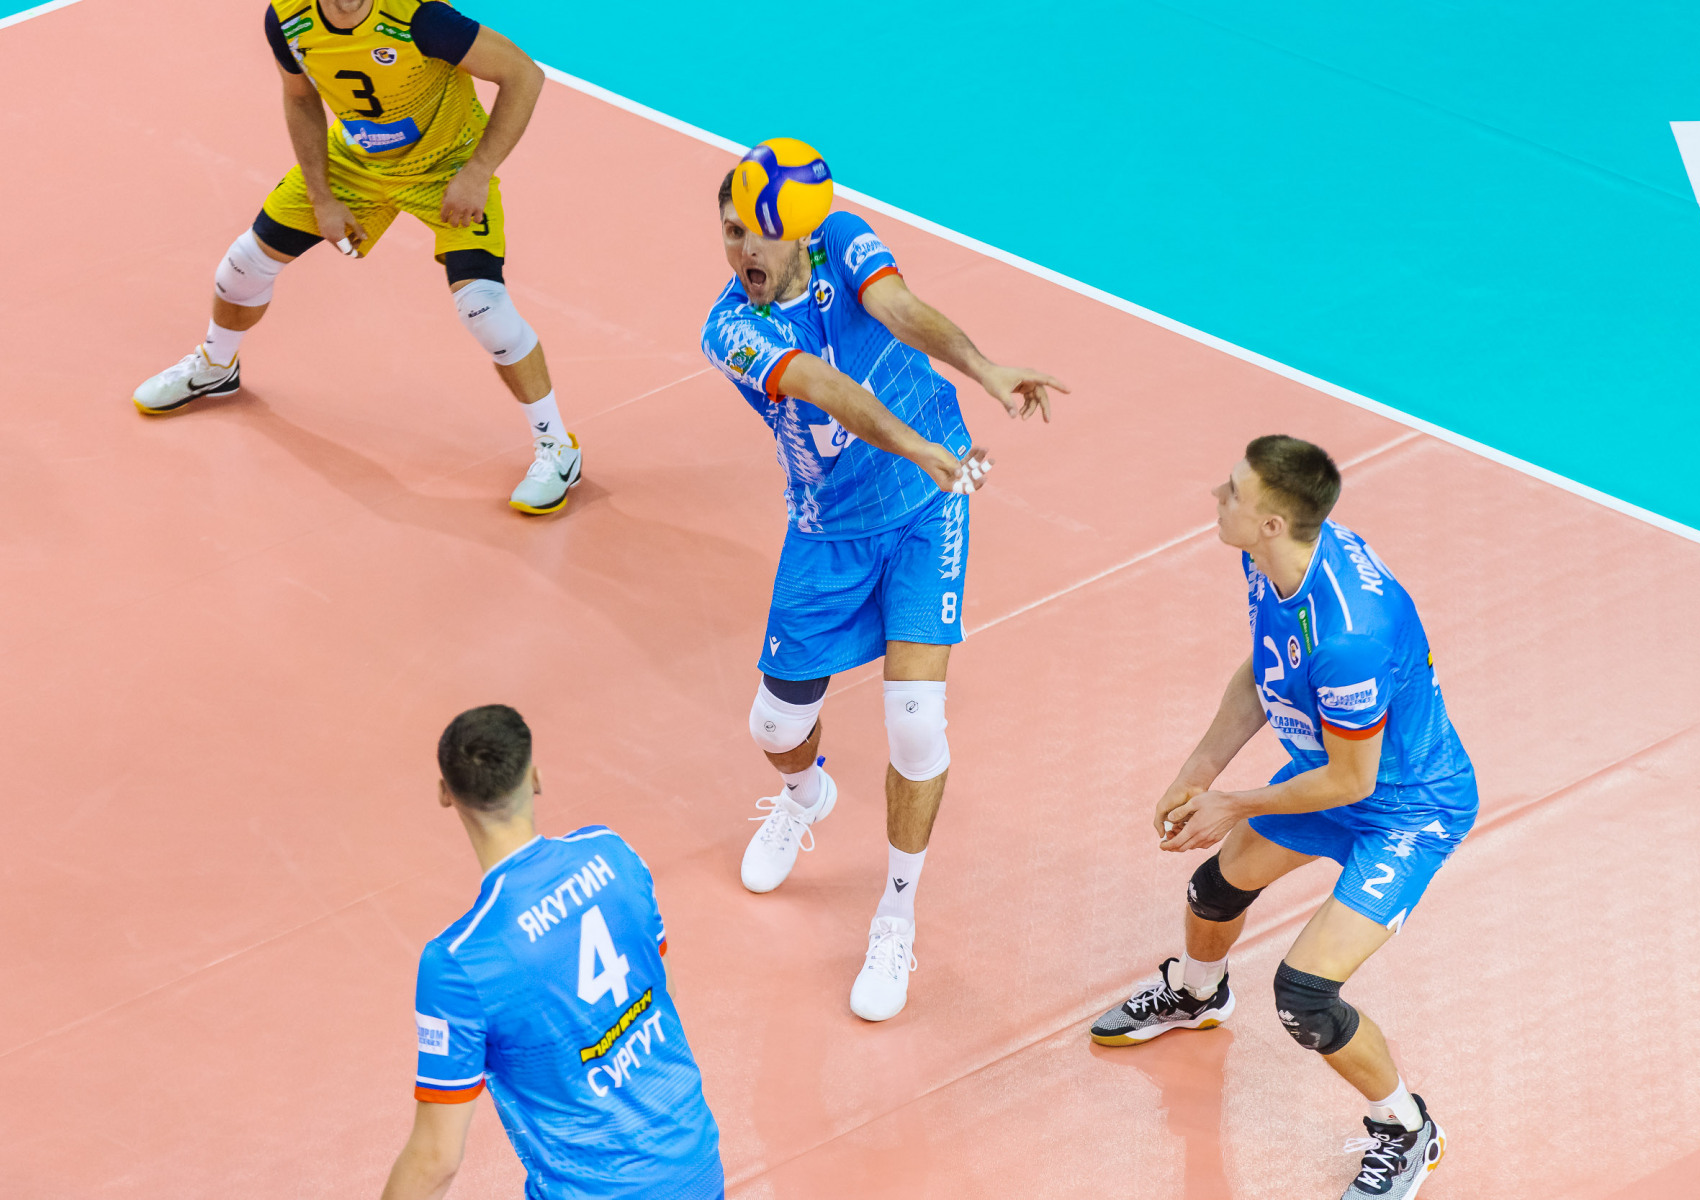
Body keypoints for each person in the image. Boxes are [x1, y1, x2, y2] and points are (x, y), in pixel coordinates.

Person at [699, 167, 1066, 1022]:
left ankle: (894, 918)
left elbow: (899, 309)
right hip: (829, 527)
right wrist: (916, 445)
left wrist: (983, 369)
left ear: (798, 228)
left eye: (756, 230)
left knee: (915, 723)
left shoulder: (841, 237)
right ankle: (806, 797)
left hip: (927, 507)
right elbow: (829, 391)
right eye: (729, 232)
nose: (742, 249)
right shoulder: (731, 328)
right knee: (774, 727)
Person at [1089, 436, 1471, 1199]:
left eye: (1232, 491)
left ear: (1272, 522)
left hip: (1403, 810)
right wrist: (1199, 771)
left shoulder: (1348, 637)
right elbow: (1264, 667)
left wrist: (1233, 803)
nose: (1216, 496)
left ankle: (1407, 1130)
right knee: (1214, 891)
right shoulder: (1269, 560)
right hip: (1327, 774)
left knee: (1305, 996)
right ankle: (1198, 995)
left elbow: (1354, 777)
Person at [132, 0, 584, 515]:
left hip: (447, 168)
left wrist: (478, 171)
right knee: (241, 269)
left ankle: (557, 447)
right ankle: (216, 365)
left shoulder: (420, 19)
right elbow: (300, 97)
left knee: (486, 311)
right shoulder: (288, 19)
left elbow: (524, 74)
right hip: (355, 162)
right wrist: (322, 196)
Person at [380, 705, 722, 1200]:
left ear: (445, 794)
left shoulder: (459, 963)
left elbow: (437, 1159)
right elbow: (652, 981)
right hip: (696, 1162)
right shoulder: (613, 854)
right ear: (535, 777)